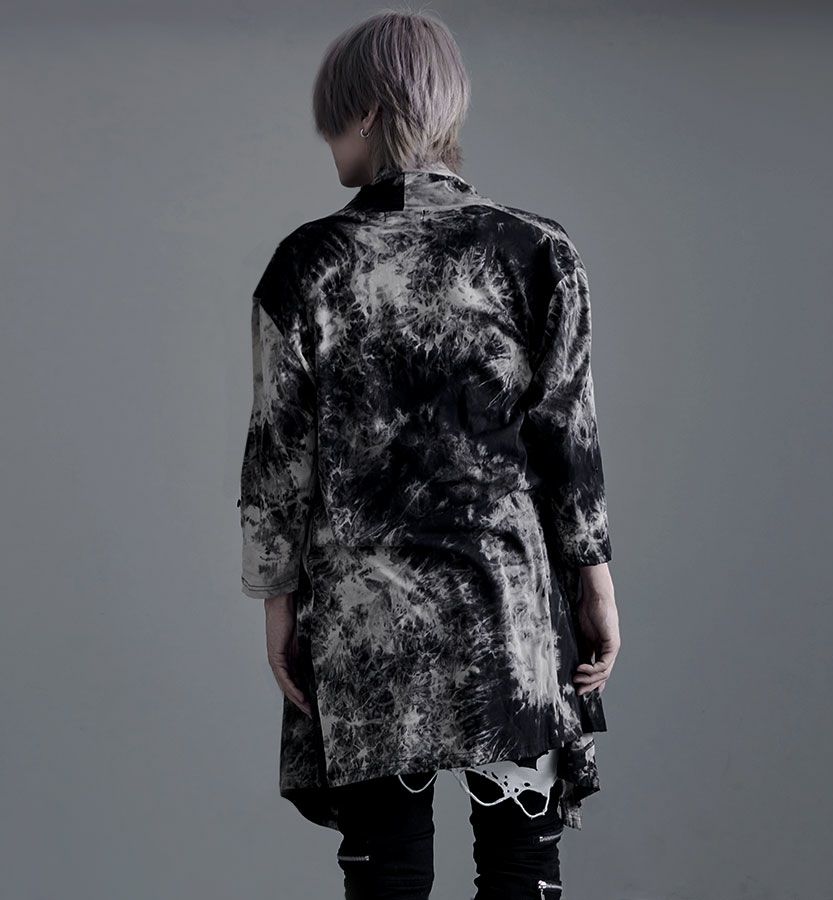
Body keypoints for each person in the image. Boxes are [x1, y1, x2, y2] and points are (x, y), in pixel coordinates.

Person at [238, 10, 622, 899]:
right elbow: (569, 439)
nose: (328, 141)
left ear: (367, 111)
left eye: (333, 121)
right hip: (509, 606)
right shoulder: (536, 251)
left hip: (365, 615)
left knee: (386, 872)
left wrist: (277, 601)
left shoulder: (307, 264)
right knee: (522, 864)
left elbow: (278, 463)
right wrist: (595, 583)